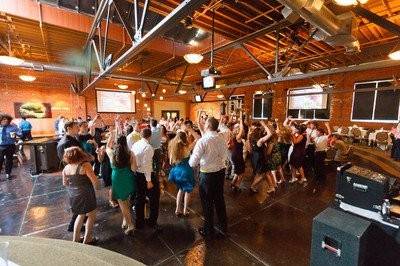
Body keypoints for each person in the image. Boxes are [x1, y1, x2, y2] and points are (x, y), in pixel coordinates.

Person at [189, 117, 228, 238]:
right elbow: (224, 156)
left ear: (207, 126)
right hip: (220, 172)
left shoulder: (203, 141)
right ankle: (223, 225)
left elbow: (192, 163)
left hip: (207, 174)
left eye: (205, 123)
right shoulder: (221, 139)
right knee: (219, 199)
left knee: (207, 202)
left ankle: (208, 229)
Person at [62, 147, 98, 244]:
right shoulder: (85, 165)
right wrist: (97, 188)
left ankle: (76, 239)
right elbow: (94, 181)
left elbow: (65, 183)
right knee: (91, 215)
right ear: (80, 154)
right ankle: (87, 239)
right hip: (86, 194)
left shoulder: (66, 168)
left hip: (73, 195)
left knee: (80, 215)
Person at [106, 131, 137, 235]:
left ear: (116, 143)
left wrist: (111, 136)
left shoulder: (112, 153)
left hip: (117, 179)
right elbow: (134, 169)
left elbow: (107, 146)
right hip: (128, 178)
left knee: (122, 204)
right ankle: (125, 220)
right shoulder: (131, 153)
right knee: (126, 201)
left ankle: (130, 225)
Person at [57, 120, 84, 232]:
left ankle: (79, 222)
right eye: (76, 126)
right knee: (80, 201)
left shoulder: (71, 140)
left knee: (79, 200)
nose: (78, 128)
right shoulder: (67, 143)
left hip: (74, 172)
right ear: (69, 128)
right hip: (75, 174)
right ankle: (73, 225)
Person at [132, 128, 160, 231]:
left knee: (139, 198)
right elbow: (147, 165)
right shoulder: (148, 147)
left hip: (137, 174)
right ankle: (152, 221)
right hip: (146, 175)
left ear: (141, 134)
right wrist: (149, 180)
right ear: (150, 136)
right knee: (154, 199)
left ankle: (139, 222)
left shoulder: (135, 144)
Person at [168, 131, 195, 216]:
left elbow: (171, 162)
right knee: (187, 191)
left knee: (180, 190)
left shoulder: (173, 148)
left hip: (176, 171)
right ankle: (185, 210)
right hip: (186, 171)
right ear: (185, 138)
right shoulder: (187, 148)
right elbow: (197, 139)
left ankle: (177, 209)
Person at [311, 122, 331, 193]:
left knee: (320, 165)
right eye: (316, 132)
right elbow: (314, 144)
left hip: (321, 153)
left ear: (321, 133)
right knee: (317, 165)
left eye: (317, 132)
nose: (316, 133)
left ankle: (321, 178)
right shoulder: (316, 137)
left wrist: (327, 126)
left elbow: (330, 134)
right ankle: (318, 176)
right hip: (317, 153)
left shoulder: (324, 137)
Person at [0, 114, 20, 180]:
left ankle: (8, 174)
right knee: (0, 160)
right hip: (1, 146)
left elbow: (20, 134)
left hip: (10, 145)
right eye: (3, 119)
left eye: (7, 119)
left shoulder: (13, 127)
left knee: (9, 160)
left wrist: (16, 129)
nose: (5, 120)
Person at [229, 113, 245, 191]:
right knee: (241, 173)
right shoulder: (237, 137)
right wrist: (241, 119)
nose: (239, 128)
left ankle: (232, 183)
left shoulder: (234, 136)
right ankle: (237, 185)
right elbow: (242, 129)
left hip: (235, 155)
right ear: (236, 129)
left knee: (237, 171)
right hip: (237, 156)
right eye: (237, 127)